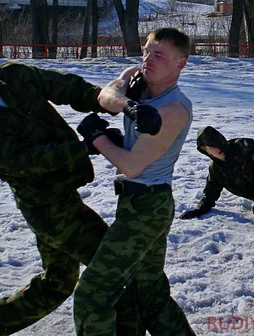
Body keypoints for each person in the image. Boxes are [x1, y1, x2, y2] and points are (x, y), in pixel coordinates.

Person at [0, 47, 159, 336]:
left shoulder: (16, 76)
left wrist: (113, 101)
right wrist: (87, 145)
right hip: (47, 208)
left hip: (63, 193)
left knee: (57, 283)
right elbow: (21, 162)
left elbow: (66, 88)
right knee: (117, 270)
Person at [74, 28, 197, 336]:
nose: (148, 60)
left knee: (93, 293)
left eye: (159, 55)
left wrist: (98, 137)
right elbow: (107, 95)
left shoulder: (174, 110)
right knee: (149, 293)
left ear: (180, 64)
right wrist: (129, 106)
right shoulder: (137, 78)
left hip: (148, 206)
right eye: (146, 50)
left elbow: (130, 165)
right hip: (134, 202)